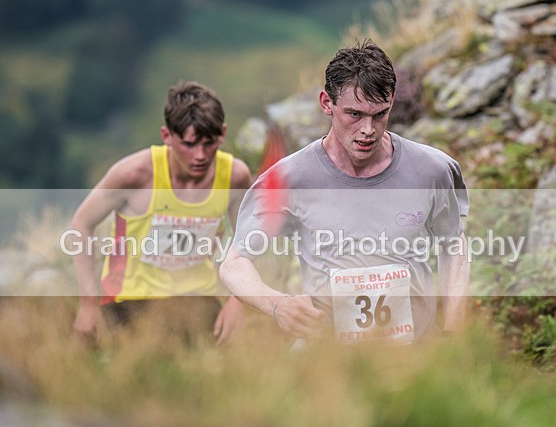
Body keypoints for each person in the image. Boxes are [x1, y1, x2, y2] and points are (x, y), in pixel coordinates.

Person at [219, 40, 470, 345]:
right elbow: (234, 263)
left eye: (380, 114)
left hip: (417, 354)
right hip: (330, 360)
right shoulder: (288, 178)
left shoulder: (432, 169)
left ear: (391, 102)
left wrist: (454, 333)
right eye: (354, 114)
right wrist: (277, 305)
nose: (368, 129)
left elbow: (453, 244)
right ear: (327, 103)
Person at [70, 81, 252, 345]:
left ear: (222, 134)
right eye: (189, 144)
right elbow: (82, 223)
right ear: (167, 136)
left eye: (209, 143)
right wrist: (88, 303)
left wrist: (237, 301)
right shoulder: (134, 174)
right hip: (128, 302)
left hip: (197, 304)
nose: (200, 156)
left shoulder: (235, 176)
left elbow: (246, 241)